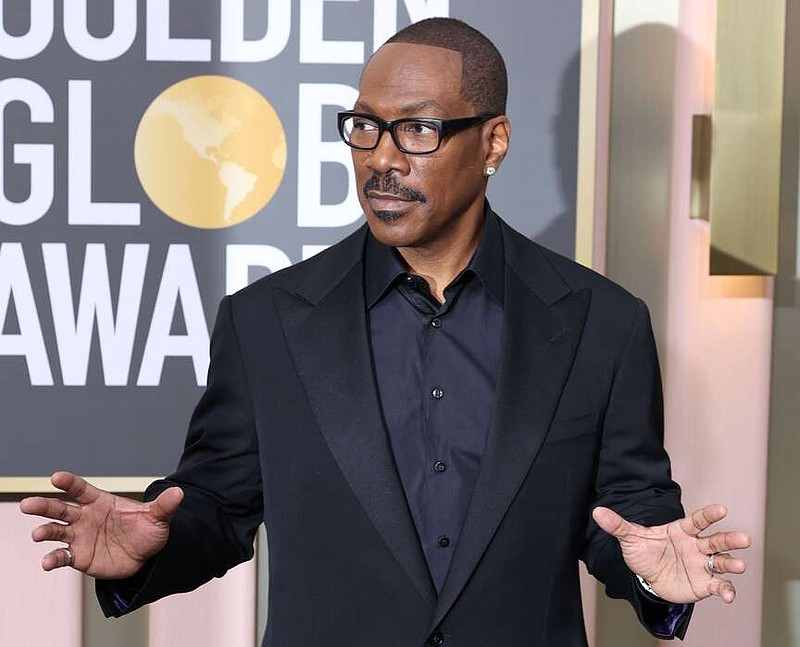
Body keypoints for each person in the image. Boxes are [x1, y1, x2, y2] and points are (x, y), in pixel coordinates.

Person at [20, 18, 750, 647]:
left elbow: (624, 521)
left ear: (493, 142)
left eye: (418, 129)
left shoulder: (602, 322)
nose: (382, 158)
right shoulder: (267, 321)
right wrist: (152, 545)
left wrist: (657, 573)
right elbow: (219, 504)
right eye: (365, 126)